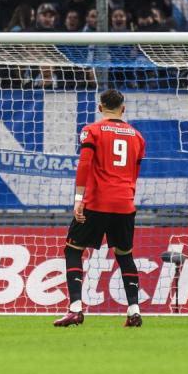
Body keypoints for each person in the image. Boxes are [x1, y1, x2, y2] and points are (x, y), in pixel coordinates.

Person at [54, 90, 146, 328]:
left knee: (73, 250)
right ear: (123, 109)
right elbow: (135, 173)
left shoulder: (92, 130)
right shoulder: (137, 136)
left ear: (99, 107)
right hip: (125, 203)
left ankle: (75, 308)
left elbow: (84, 164)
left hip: (96, 202)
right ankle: (134, 311)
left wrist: (78, 198)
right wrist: (127, 195)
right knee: (125, 255)